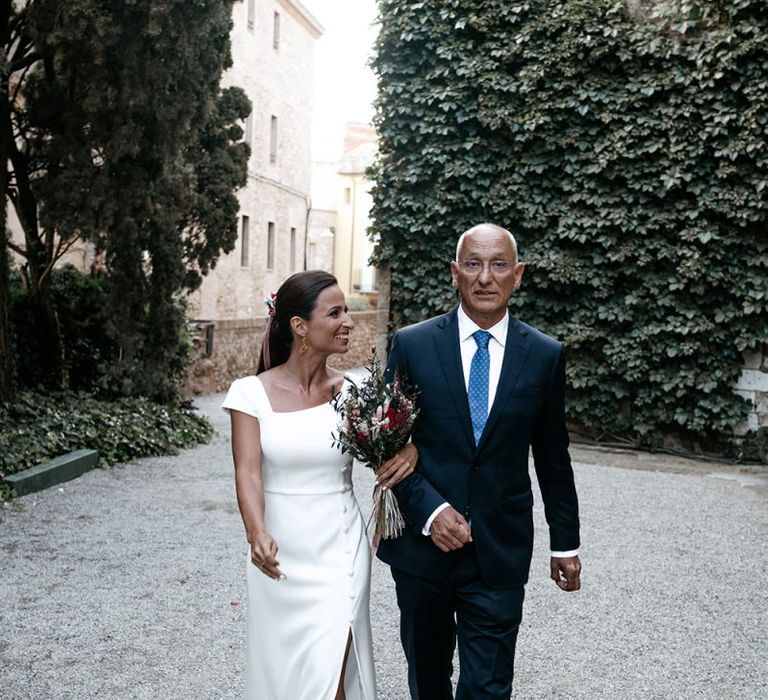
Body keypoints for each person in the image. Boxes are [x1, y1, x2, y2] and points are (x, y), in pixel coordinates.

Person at [377, 223, 582, 700]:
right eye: (472, 264)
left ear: (518, 275)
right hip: (422, 551)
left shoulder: (545, 355)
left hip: (499, 551)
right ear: (454, 274)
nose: (485, 277)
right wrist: (430, 510)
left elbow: (552, 455)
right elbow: (386, 445)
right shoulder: (413, 344)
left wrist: (565, 543)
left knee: (487, 686)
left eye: (499, 264)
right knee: (427, 680)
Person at [222, 270, 415, 700]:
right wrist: (257, 533)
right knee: (291, 676)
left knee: (333, 671)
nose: (347, 321)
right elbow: (248, 472)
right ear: (299, 326)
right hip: (280, 553)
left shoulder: (358, 391)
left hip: (341, 547)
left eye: (346, 310)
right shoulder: (249, 395)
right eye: (335, 313)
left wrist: (409, 452)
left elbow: (400, 445)